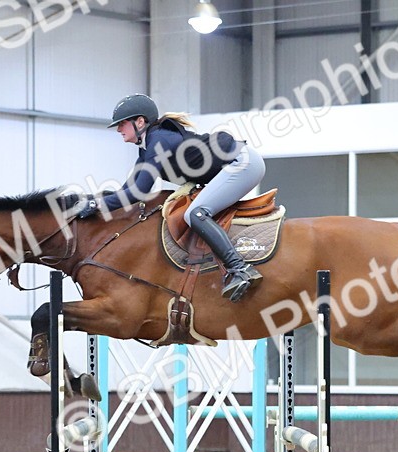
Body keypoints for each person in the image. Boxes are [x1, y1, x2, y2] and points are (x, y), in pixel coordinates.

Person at [78, 93, 264, 303]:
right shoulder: (148, 148)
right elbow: (126, 191)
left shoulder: (159, 141)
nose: (119, 129)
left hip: (243, 163)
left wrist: (96, 204)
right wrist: (93, 202)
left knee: (196, 214)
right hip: (235, 164)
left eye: (122, 124)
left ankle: (240, 269)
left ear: (140, 122)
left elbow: (139, 191)